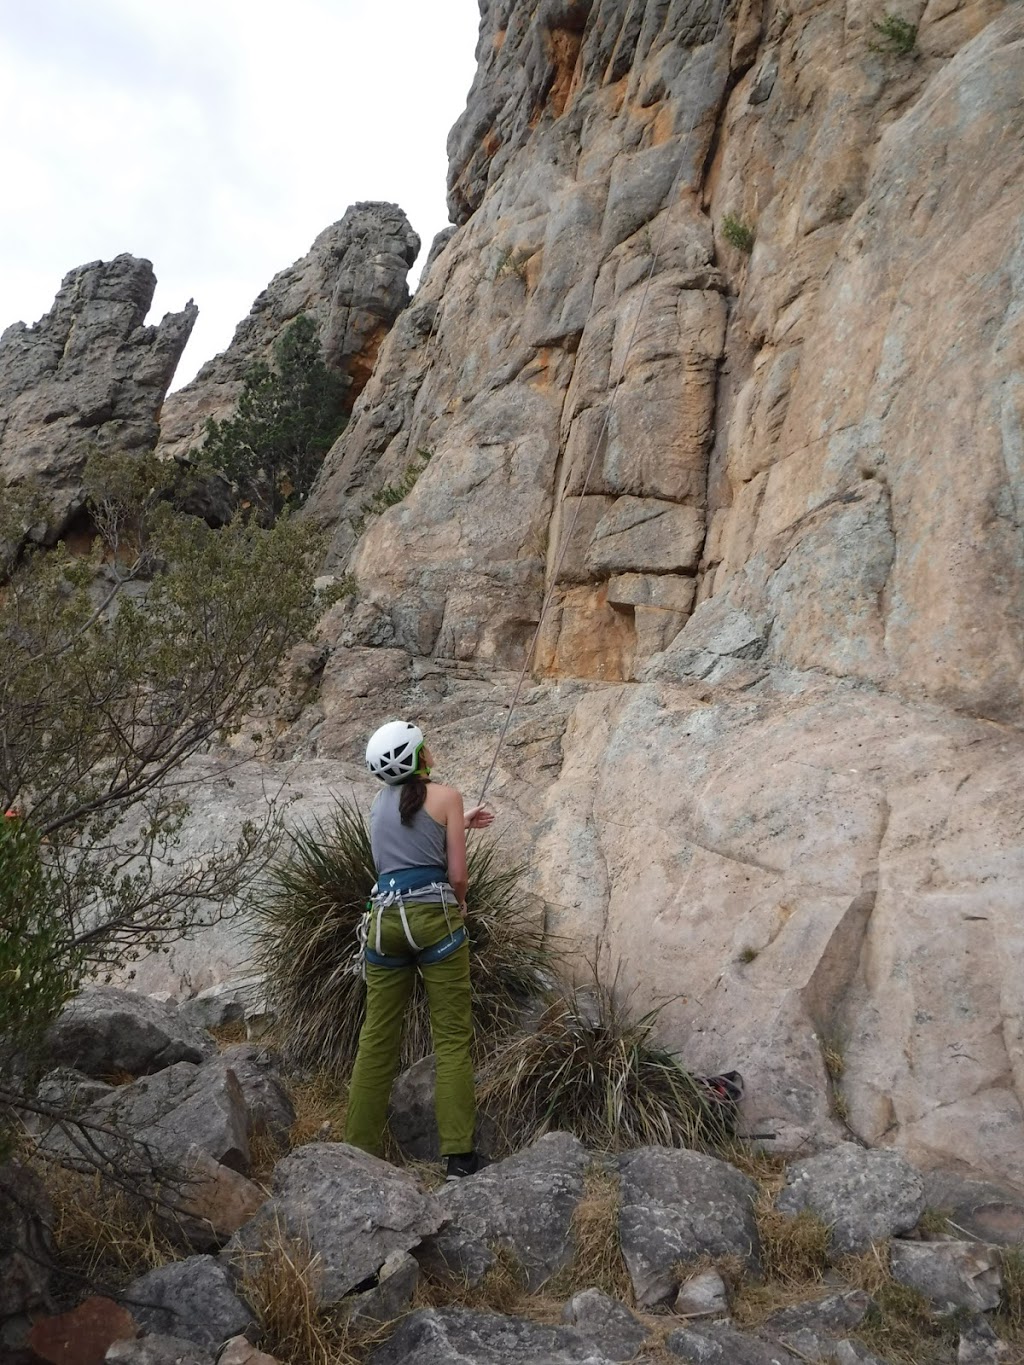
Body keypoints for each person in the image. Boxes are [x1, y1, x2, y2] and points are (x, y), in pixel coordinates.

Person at [344, 719, 494, 1178]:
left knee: (377, 1037)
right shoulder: (446, 796)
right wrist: (461, 906)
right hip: (435, 923)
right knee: (450, 1038)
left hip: (385, 922)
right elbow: (458, 876)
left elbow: (399, 852)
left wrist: (458, 825)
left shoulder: (376, 804)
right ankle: (458, 1158)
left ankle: (357, 1151)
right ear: (416, 756)